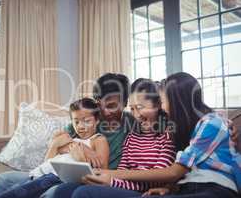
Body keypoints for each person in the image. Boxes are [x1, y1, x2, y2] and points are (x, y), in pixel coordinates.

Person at [75, 72, 241, 198]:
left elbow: (173, 172)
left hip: (212, 187)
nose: (162, 107)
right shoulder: (136, 131)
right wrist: (170, 187)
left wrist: (110, 176)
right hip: (185, 186)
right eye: (132, 109)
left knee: (84, 193)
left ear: (177, 102)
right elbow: (180, 174)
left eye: (162, 102)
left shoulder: (192, 127)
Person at [0, 73, 137, 198]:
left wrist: (75, 149)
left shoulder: (133, 124)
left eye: (111, 106)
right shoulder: (88, 118)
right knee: (3, 179)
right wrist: (80, 148)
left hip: (91, 180)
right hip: (60, 173)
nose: (104, 111)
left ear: (125, 103)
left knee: (53, 192)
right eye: (100, 105)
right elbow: (58, 144)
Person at [49, 78, 177, 198]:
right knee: (62, 190)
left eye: (139, 107)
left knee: (82, 193)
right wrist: (80, 147)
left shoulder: (165, 135)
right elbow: (60, 139)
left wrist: (112, 181)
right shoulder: (132, 136)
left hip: (136, 189)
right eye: (132, 109)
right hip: (118, 183)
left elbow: (158, 176)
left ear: (158, 105)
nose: (136, 115)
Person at [0, 98, 109, 198]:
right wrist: (57, 145)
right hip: (41, 173)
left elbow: (102, 173)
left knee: (16, 193)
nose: (80, 126)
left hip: (57, 179)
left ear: (97, 120)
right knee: (3, 179)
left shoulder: (98, 140)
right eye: (76, 121)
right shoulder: (68, 138)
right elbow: (47, 162)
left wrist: (81, 158)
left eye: (87, 121)